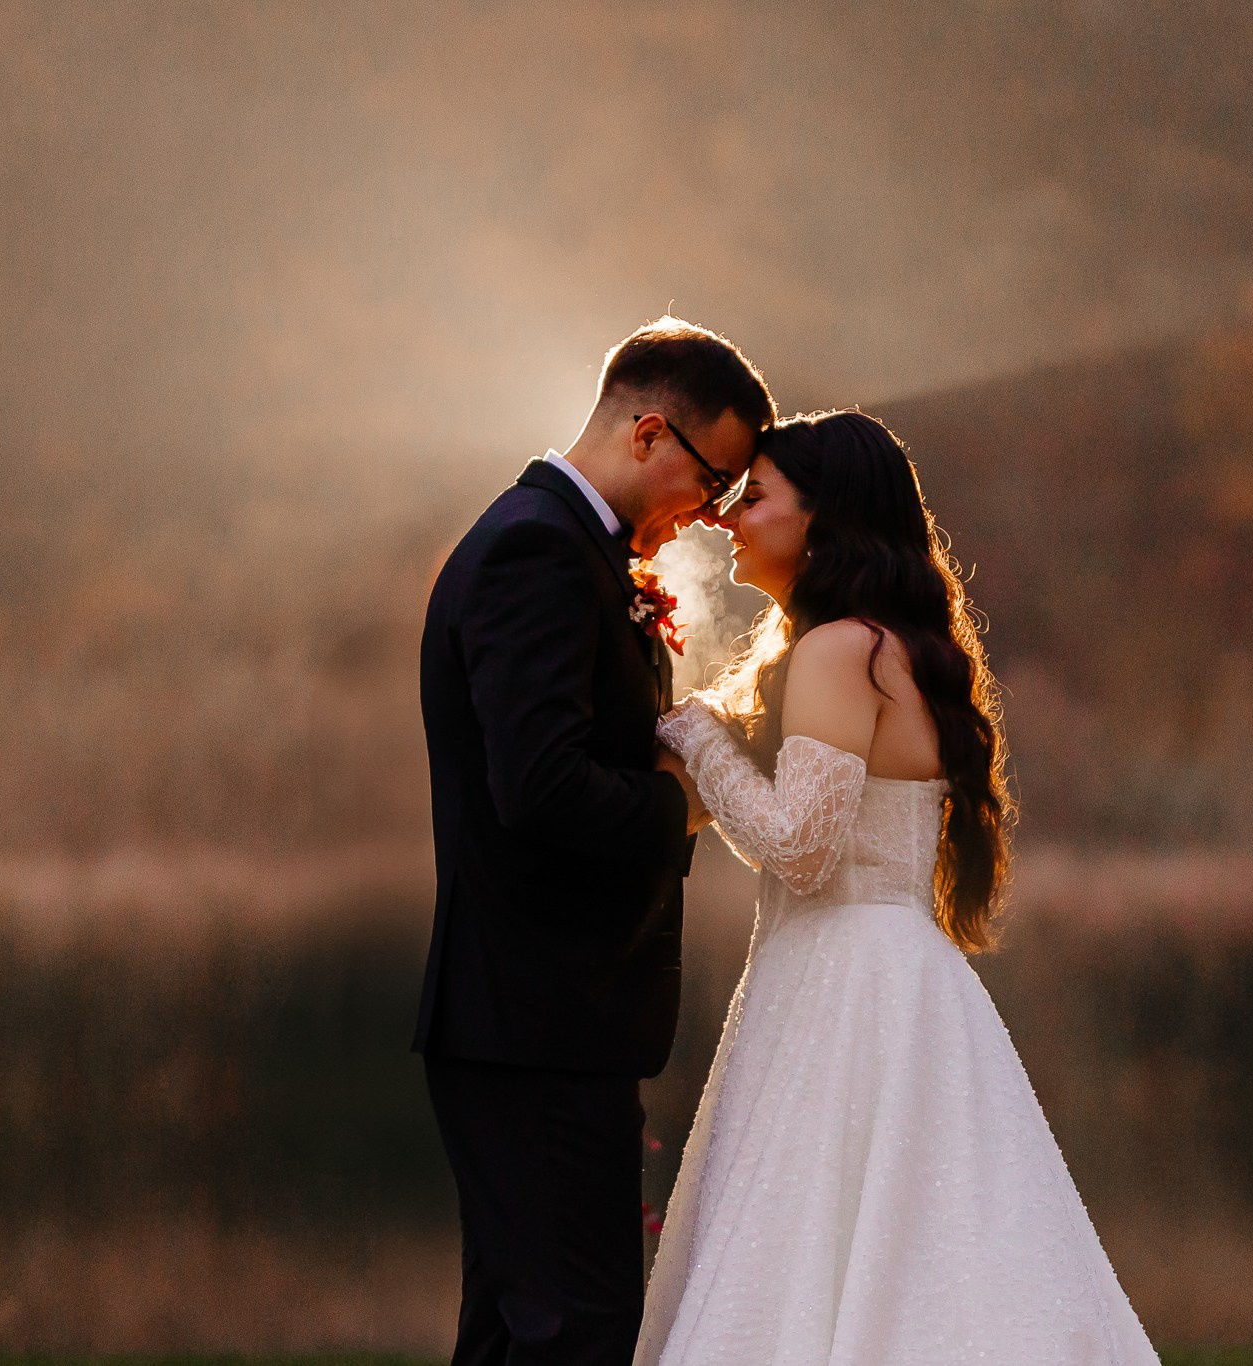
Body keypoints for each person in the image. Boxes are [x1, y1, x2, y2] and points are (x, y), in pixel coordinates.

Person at [635, 410, 1161, 1365]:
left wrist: (697, 735)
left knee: (820, 1242)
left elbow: (802, 850)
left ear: (821, 515)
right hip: (898, 978)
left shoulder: (841, 650)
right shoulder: (892, 647)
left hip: (846, 985)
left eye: (753, 498)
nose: (730, 519)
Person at [413, 317, 772, 1365]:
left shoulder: (567, 549)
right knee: (574, 1331)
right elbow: (539, 787)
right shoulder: (537, 551)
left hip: (533, 1019)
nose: (708, 518)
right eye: (711, 483)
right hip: (531, 1020)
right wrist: (685, 800)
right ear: (650, 433)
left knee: (520, 1332)